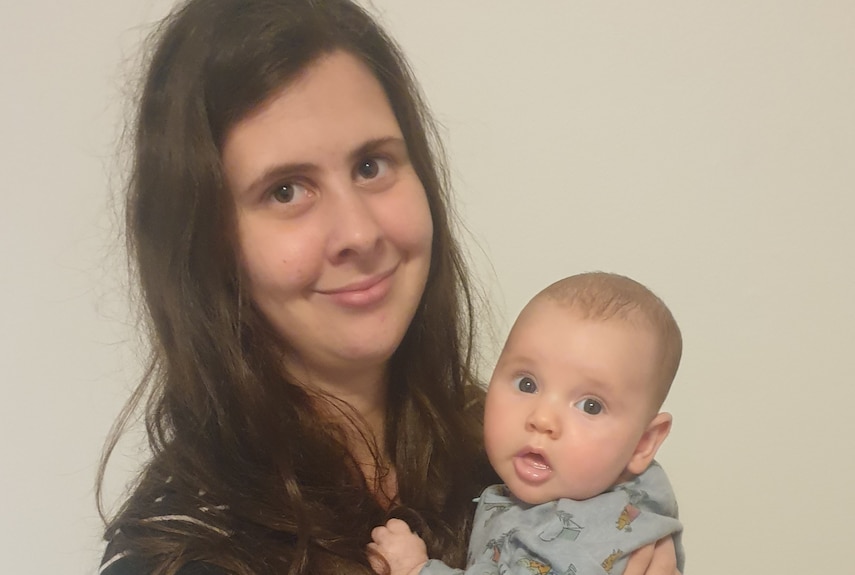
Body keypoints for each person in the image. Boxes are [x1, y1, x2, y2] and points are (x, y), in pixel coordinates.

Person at [96, 1, 680, 574]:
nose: (359, 232)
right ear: (205, 242)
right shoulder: (180, 555)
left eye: (371, 166)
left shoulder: (524, 451)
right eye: (286, 190)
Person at [369, 272, 685, 575]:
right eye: (527, 385)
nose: (542, 419)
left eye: (590, 406)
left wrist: (415, 569)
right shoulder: (601, 493)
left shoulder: (589, 534)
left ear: (644, 443)